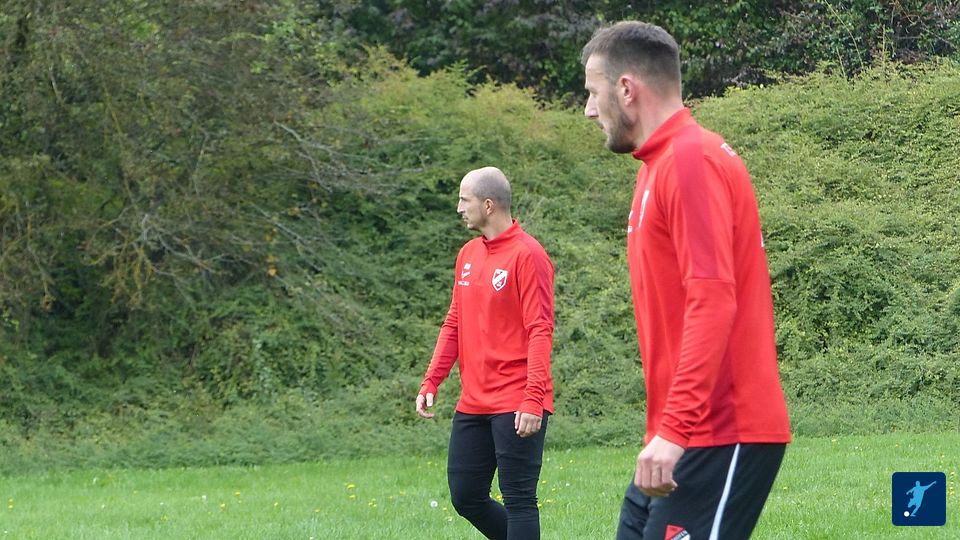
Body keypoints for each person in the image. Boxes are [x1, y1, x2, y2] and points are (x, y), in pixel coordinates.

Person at [581, 21, 792, 539]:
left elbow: (713, 301)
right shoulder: (656, 167)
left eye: (592, 92)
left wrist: (674, 430)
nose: (588, 109)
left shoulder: (690, 161)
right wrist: (667, 430)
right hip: (687, 433)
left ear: (626, 89)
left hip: (722, 429)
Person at [415, 166, 555, 540]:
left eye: (465, 200)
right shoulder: (468, 254)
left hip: (516, 399)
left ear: (488, 205)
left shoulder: (528, 255)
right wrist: (432, 380)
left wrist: (533, 398)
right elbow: (454, 323)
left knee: (519, 500)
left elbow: (540, 330)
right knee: (465, 495)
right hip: (474, 401)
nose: (459, 208)